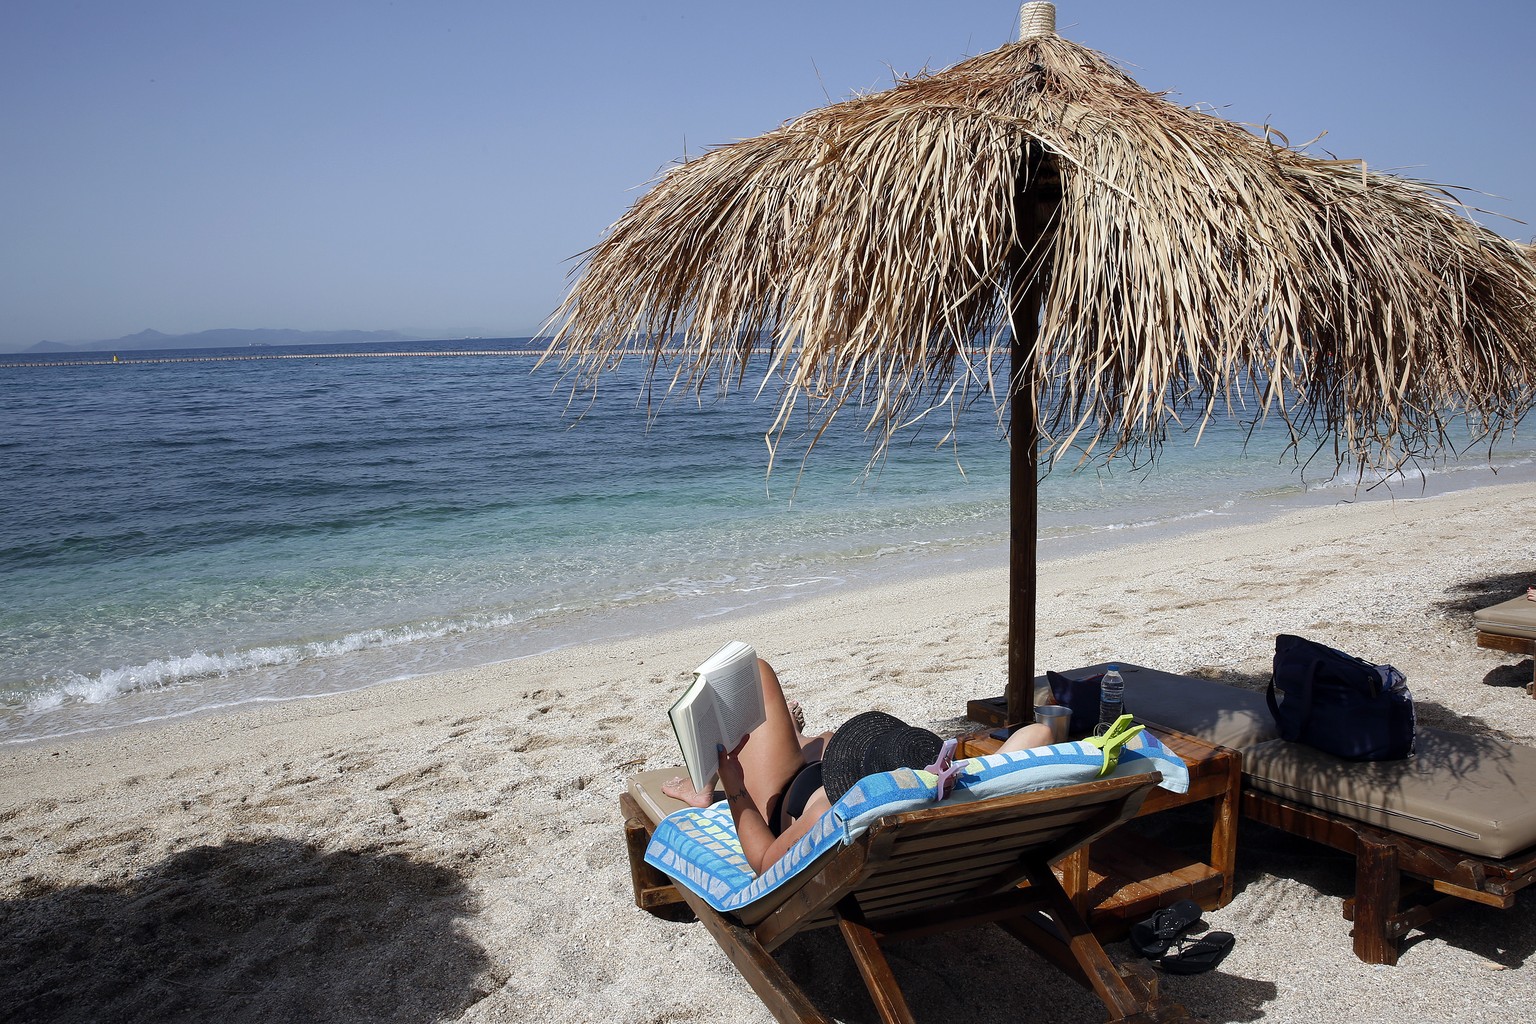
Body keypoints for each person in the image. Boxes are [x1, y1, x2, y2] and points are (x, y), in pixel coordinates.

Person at [662, 658, 1055, 875]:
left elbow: (766, 863)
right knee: (827, 739)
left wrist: (733, 785)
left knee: (755, 671)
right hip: (850, 783)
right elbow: (1039, 734)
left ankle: (706, 784)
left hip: (788, 792)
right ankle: (802, 738)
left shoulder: (825, 814)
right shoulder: (957, 788)